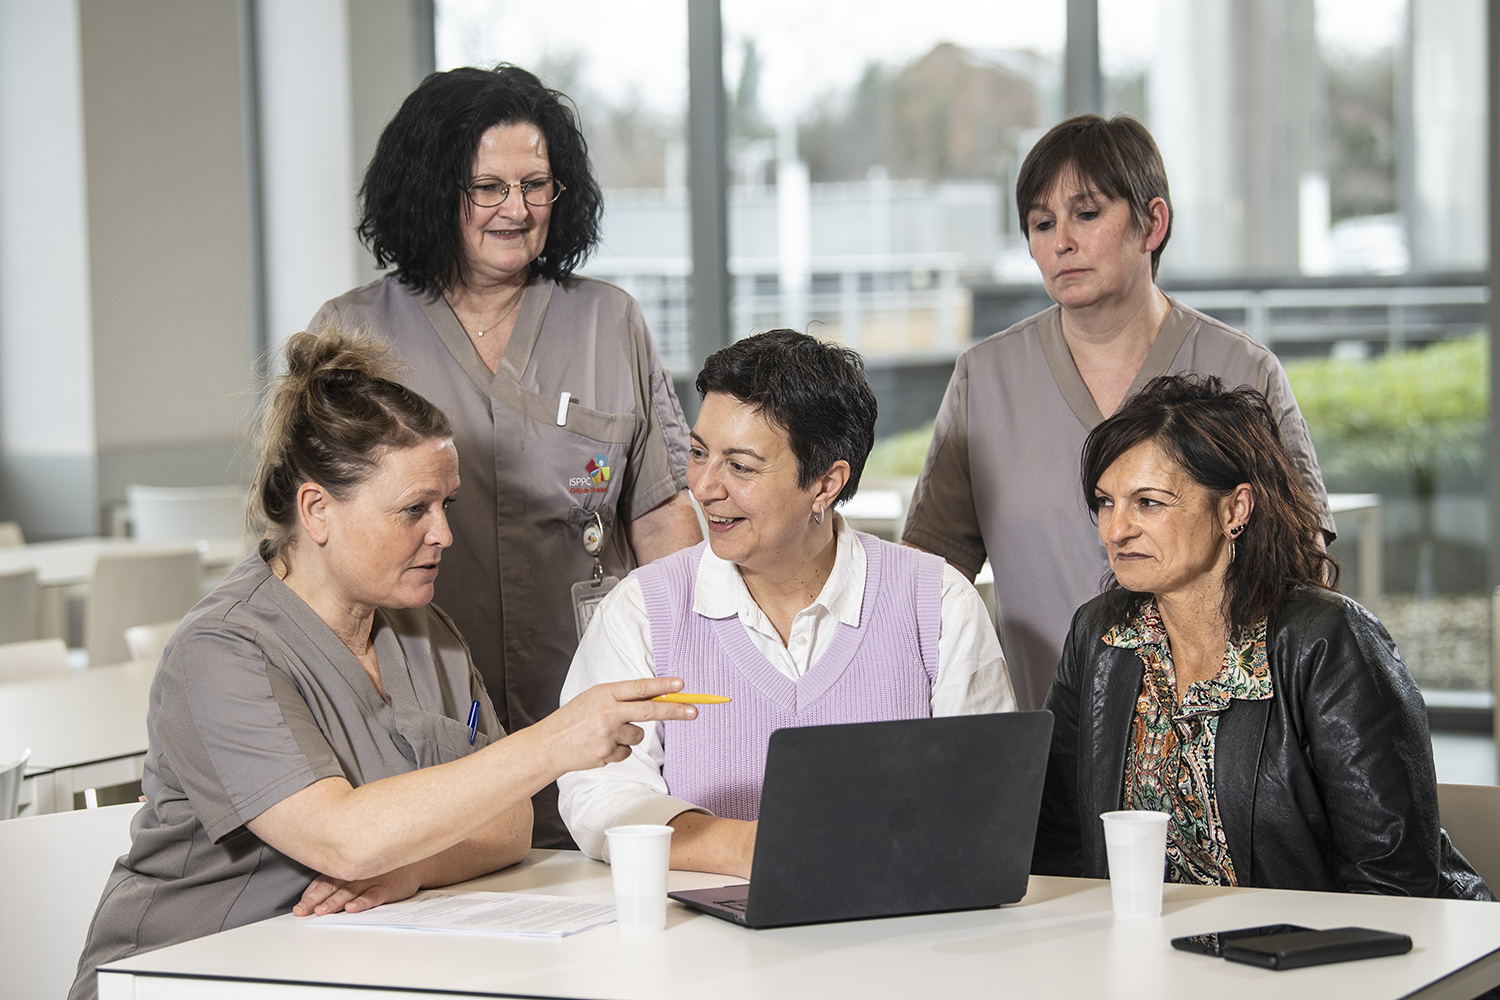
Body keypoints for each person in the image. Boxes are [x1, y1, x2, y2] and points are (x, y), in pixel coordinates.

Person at [69, 332, 699, 1000]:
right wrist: (557, 740)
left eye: (445, 506)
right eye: (412, 511)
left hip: (344, 967)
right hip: (184, 976)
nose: (443, 535)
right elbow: (343, 840)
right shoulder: (222, 652)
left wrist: (417, 865)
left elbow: (509, 826)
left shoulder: (426, 635)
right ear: (317, 511)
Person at [307, 65, 702, 848]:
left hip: (594, 708)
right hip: (422, 722)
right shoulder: (352, 336)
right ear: (431, 190)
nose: (516, 210)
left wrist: (689, 681)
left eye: (536, 185)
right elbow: (312, 548)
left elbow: (662, 523)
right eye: (486, 187)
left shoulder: (608, 323)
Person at [902, 114, 1333, 711]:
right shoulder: (986, 379)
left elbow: (1302, 566)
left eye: (1087, 214)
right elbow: (929, 581)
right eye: (1041, 223)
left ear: (1152, 223)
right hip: (1050, 755)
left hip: (1221, 753)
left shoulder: (1243, 370)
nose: (1062, 243)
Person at [557, 330, 1016, 879]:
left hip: (894, 938)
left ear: (826, 484)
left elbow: (985, 799)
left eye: (741, 467)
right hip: (701, 946)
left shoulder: (937, 605)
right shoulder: (641, 611)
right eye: (699, 453)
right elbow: (598, 795)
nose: (704, 487)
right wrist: (755, 848)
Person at [1032, 374, 1490, 899]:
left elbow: (1392, 880)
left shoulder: (1328, 641)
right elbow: (1058, 839)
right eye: (1106, 502)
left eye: (1149, 502)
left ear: (1235, 509)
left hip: (1332, 962)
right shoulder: (1100, 635)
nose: (1116, 530)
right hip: (1156, 964)